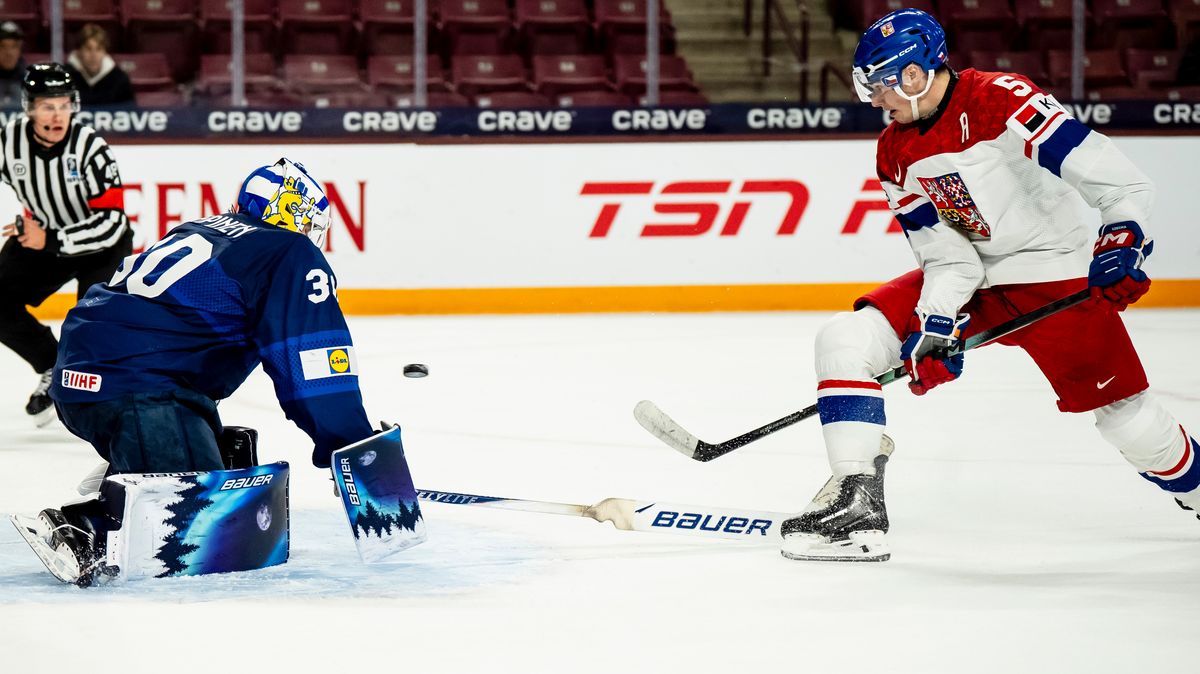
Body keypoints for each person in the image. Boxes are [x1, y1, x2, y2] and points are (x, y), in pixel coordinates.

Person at [781, 8, 1198, 562]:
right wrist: (934, 325)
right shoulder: (893, 153)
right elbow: (948, 258)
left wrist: (1122, 237)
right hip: (978, 287)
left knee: (1130, 422)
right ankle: (859, 507)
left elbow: (1117, 181)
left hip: (1055, 278)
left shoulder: (1001, 99)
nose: (876, 100)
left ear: (912, 75)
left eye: (880, 85)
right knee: (845, 341)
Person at [24, 158, 378, 584]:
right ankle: (94, 525)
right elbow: (312, 362)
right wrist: (353, 447)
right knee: (202, 533)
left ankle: (136, 466)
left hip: (86, 378)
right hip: (139, 390)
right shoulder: (287, 250)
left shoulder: (206, 229)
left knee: (232, 464)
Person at [0, 63, 132, 425]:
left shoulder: (92, 148)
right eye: (47, 106)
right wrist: (32, 230)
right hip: (45, 236)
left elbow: (113, 222)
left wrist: (52, 238)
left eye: (63, 105)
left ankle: (101, 398)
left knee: (90, 324)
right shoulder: (7, 142)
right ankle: (52, 367)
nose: (57, 115)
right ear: (29, 108)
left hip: (102, 246)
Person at [64, 24, 135, 107]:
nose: (93, 55)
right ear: (79, 52)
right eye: (88, 49)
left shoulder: (120, 80)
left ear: (105, 52)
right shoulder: (63, 78)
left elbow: (129, 113)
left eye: (99, 49)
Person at [0, 21, 26, 108]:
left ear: (20, 50)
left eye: (14, 47)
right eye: (3, 46)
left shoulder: (30, 82)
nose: (9, 53)